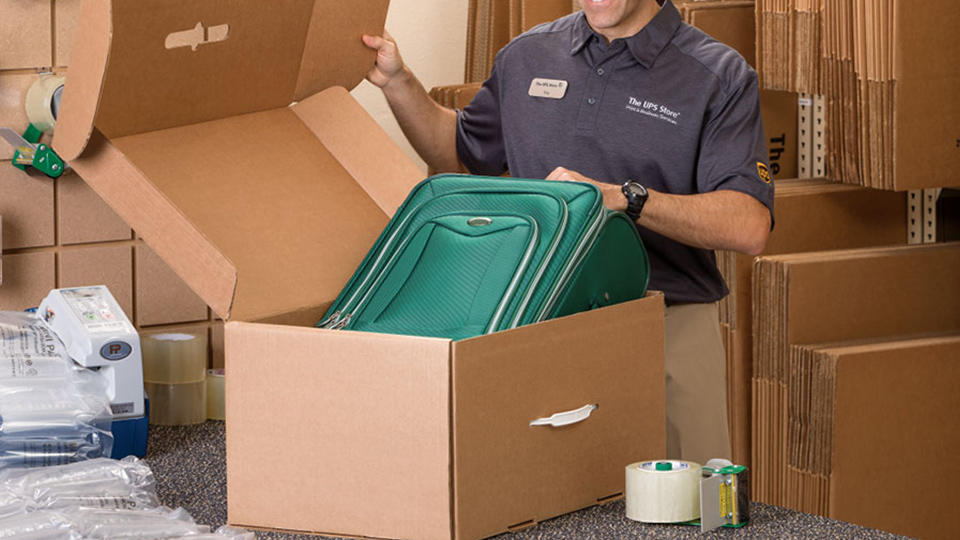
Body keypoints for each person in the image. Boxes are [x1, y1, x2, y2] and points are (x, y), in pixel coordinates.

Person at [362, 0, 773, 463]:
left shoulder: (717, 74)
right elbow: (458, 154)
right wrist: (398, 83)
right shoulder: (527, 56)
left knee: (690, 515)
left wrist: (624, 198)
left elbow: (749, 225)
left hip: (665, 327)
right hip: (539, 321)